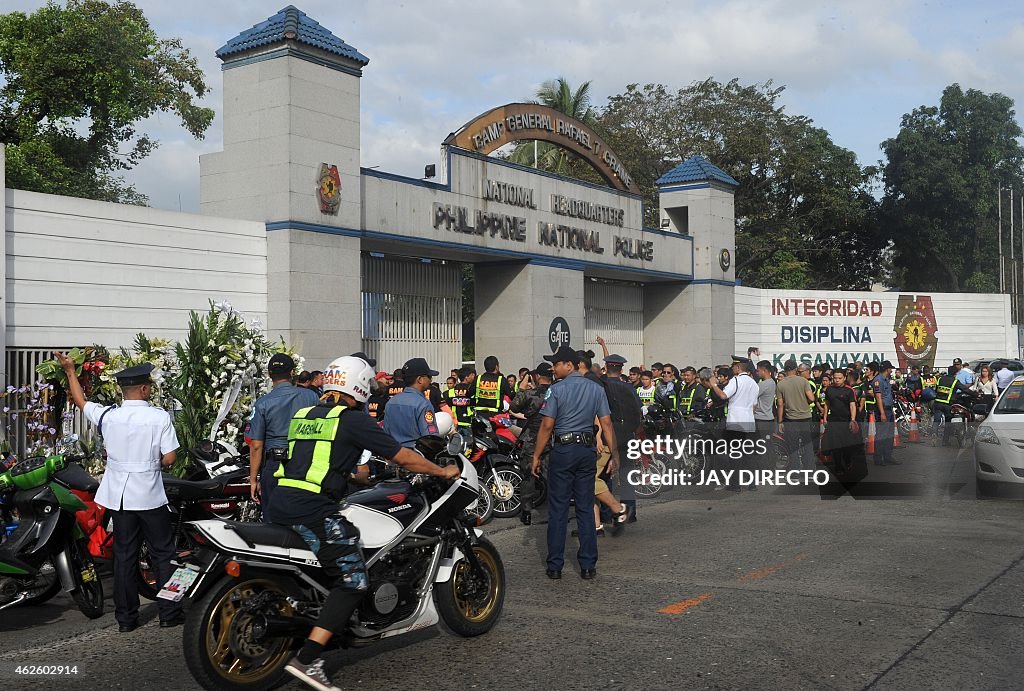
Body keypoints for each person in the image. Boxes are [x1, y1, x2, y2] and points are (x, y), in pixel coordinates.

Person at [273, 356, 459, 691]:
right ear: (358, 385)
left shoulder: (305, 414)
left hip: (281, 501)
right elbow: (401, 456)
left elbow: (319, 457)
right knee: (353, 578)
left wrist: (360, 474)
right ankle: (308, 659)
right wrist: (441, 470)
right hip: (313, 508)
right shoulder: (352, 418)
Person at [55, 355, 182, 632]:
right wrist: (153, 464)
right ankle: (169, 613)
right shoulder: (158, 417)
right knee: (163, 554)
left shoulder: (109, 416)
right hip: (149, 495)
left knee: (124, 556)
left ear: (124, 390)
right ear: (145, 389)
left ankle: (126, 619)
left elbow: (80, 401)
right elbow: (170, 457)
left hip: (121, 498)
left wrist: (70, 372)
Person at [531, 345, 617, 580]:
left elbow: (547, 425)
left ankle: (555, 565)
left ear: (569, 365)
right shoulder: (595, 388)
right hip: (587, 451)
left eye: (556, 364)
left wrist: (536, 455)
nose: (553, 368)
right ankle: (588, 565)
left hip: (563, 450)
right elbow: (606, 424)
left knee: (558, 508)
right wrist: (615, 455)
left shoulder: (556, 390)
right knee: (585, 507)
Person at [249, 353, 321, 523]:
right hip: (306, 463)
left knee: (274, 521)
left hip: (275, 464)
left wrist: (253, 479)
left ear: (269, 374)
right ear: (292, 373)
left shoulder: (263, 403)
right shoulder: (311, 397)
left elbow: (256, 445)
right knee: (306, 518)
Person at [601, 354, 643, 525]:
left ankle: (608, 512)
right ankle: (630, 511)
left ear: (606, 368)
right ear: (621, 369)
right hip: (626, 433)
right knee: (626, 473)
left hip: (608, 433)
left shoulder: (601, 386)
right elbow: (637, 411)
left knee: (605, 474)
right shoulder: (629, 388)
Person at [511, 362, 553, 526]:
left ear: (536, 376)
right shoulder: (557, 392)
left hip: (531, 439)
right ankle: (554, 509)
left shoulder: (529, 394)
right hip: (552, 438)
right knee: (551, 475)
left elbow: (514, 406)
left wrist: (521, 388)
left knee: (528, 475)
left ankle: (526, 512)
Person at [708, 359, 759, 490]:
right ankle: (752, 483)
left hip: (736, 420)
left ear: (737, 368)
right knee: (748, 453)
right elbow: (754, 406)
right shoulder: (753, 383)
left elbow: (724, 396)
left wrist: (713, 385)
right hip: (748, 419)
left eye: (733, 367)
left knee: (735, 453)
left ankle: (735, 484)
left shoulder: (735, 381)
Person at [382, 358, 441, 447]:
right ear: (420, 379)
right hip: (415, 456)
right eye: (429, 376)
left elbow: (386, 433)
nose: (431, 380)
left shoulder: (391, 402)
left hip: (393, 456)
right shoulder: (423, 404)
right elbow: (430, 438)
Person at [776, 360, 816, 471]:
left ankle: (795, 471)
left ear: (785, 369)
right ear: (795, 369)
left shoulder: (781, 384)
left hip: (791, 419)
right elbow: (812, 398)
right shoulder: (803, 381)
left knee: (793, 446)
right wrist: (804, 402)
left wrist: (780, 422)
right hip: (805, 417)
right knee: (807, 445)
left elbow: (780, 405)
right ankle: (810, 470)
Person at [821, 369, 862, 477]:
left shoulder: (849, 391)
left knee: (847, 446)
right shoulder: (829, 390)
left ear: (844, 378)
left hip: (846, 422)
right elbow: (827, 404)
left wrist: (852, 420)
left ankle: (848, 460)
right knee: (836, 446)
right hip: (834, 421)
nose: (837, 380)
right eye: (835, 378)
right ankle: (838, 466)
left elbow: (852, 406)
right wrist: (825, 418)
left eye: (839, 378)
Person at [931, 365, 973, 446]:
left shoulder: (940, 379)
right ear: (956, 373)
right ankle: (945, 441)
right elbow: (965, 389)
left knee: (936, 421)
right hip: (947, 404)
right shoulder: (955, 381)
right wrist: (976, 394)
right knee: (948, 423)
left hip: (937, 402)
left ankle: (934, 433)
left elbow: (936, 389)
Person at [871, 361, 900, 466]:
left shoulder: (886, 380)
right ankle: (878, 458)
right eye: (890, 369)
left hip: (888, 409)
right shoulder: (878, 380)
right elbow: (878, 397)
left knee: (889, 435)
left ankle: (888, 456)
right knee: (881, 434)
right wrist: (882, 413)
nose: (891, 370)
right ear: (887, 369)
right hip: (882, 410)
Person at [754, 361, 777, 471]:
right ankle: (769, 469)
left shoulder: (764, 384)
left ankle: (766, 469)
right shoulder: (771, 382)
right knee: (767, 445)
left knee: (763, 446)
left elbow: (751, 395)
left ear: (764, 370)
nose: (757, 373)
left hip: (761, 419)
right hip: (767, 419)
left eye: (758, 370)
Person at [445, 367, 476, 437]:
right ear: (466, 377)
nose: (473, 377)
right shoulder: (472, 391)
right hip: (468, 423)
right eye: (472, 375)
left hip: (455, 424)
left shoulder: (450, 392)